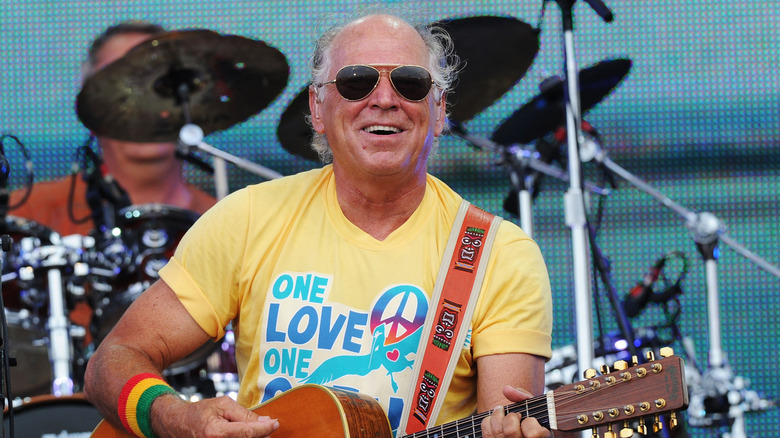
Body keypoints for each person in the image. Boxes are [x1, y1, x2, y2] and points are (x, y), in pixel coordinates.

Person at [83, 11, 553, 438]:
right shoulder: (248, 217)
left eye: (410, 82)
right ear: (317, 108)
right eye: (355, 82)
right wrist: (179, 419)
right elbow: (112, 360)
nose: (385, 99)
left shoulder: (499, 253)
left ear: (439, 110)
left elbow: (507, 423)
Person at [8, 20, 217, 237]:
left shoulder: (230, 228)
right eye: (120, 85)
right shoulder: (22, 215)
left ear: (189, 105)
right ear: (89, 110)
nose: (143, 101)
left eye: (161, 84)